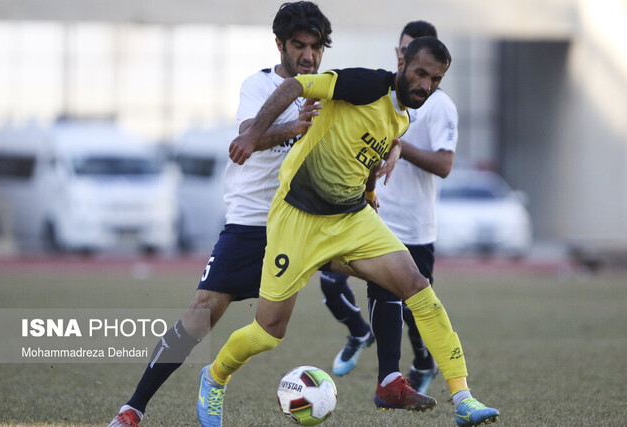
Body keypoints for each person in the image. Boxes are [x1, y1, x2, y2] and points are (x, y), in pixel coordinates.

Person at [197, 37, 500, 427]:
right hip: (298, 219)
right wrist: (254, 133)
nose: (426, 85)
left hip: (351, 219)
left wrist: (370, 189)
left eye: (436, 79)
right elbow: (296, 86)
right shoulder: (367, 84)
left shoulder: (404, 116)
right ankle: (215, 375)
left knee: (416, 285)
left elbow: (369, 150)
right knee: (269, 331)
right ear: (403, 63)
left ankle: (463, 398)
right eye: (421, 73)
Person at [108, 2, 332, 426]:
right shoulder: (259, 85)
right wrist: (292, 128)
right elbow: (248, 137)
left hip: (300, 224)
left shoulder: (328, 89)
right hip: (250, 223)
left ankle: (391, 366)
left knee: (274, 331)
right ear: (280, 44)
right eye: (299, 45)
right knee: (200, 316)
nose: (308, 55)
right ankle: (133, 408)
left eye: (316, 47)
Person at [321, 20, 457, 407]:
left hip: (414, 227)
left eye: (413, 51)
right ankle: (361, 336)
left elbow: (445, 165)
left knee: (411, 304)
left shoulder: (438, 105)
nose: (404, 55)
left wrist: (398, 144)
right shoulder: (386, 96)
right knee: (332, 281)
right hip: (375, 216)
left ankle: (422, 365)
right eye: (403, 50)